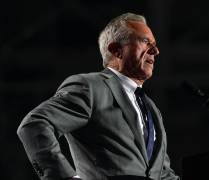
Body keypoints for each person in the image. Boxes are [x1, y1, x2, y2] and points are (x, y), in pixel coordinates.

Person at [17, 12, 180, 180]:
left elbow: (161, 172)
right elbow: (35, 124)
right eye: (145, 42)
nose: (156, 50)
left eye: (154, 44)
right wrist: (63, 177)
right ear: (116, 50)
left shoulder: (151, 108)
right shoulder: (91, 87)